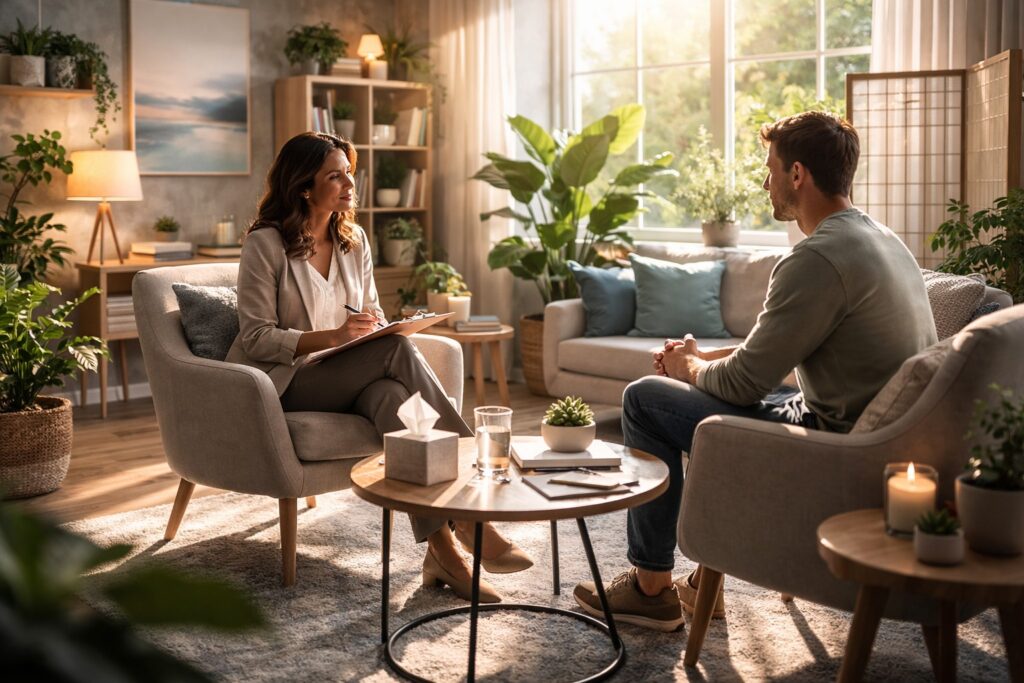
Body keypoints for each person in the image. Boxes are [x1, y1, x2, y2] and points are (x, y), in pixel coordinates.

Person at [573, 111, 937, 631]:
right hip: (873, 436)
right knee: (705, 393)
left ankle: (651, 588)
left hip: (834, 447)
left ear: (797, 175)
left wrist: (686, 366)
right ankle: (704, 587)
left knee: (645, 399)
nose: (764, 181)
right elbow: (770, 354)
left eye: (770, 169)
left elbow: (746, 385)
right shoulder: (882, 239)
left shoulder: (815, 259)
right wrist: (708, 360)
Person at [225, 132, 532, 603]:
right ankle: (473, 514)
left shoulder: (354, 240)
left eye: (349, 171)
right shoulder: (265, 245)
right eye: (335, 174)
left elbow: (370, 313)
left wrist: (380, 329)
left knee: (393, 399)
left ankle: (443, 552)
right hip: (288, 381)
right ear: (303, 185)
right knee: (397, 356)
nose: (349, 182)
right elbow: (255, 337)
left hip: (347, 371)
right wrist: (336, 337)